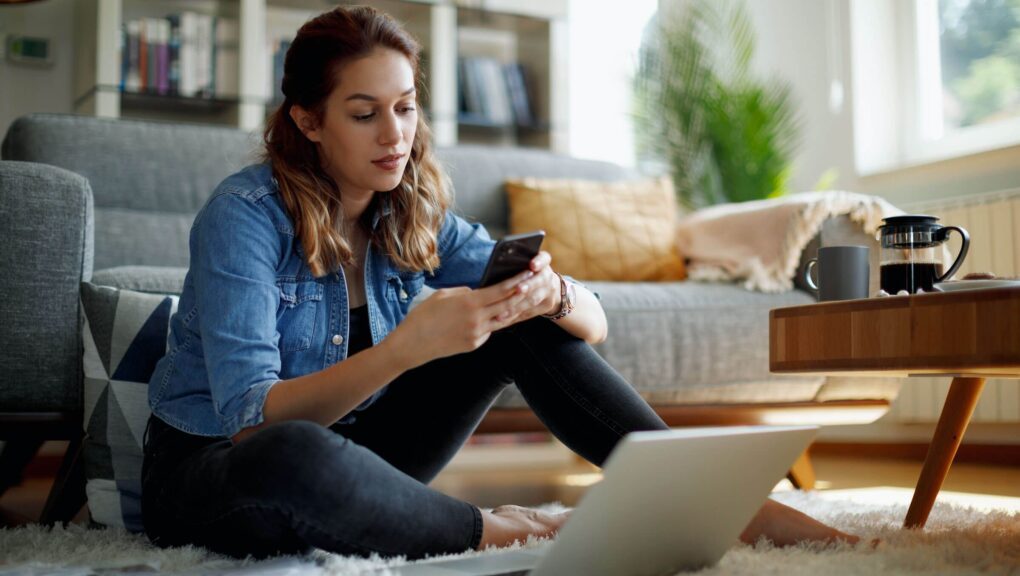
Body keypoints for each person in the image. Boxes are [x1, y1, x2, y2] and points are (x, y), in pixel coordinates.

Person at [141, 4, 858, 560]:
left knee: (515, 314)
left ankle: (721, 505)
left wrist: (555, 296)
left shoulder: (411, 209)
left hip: (363, 457)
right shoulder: (244, 217)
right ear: (309, 121)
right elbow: (251, 423)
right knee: (292, 452)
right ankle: (502, 528)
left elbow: (595, 324)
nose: (395, 134)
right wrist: (405, 349)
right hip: (218, 471)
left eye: (405, 106)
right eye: (364, 114)